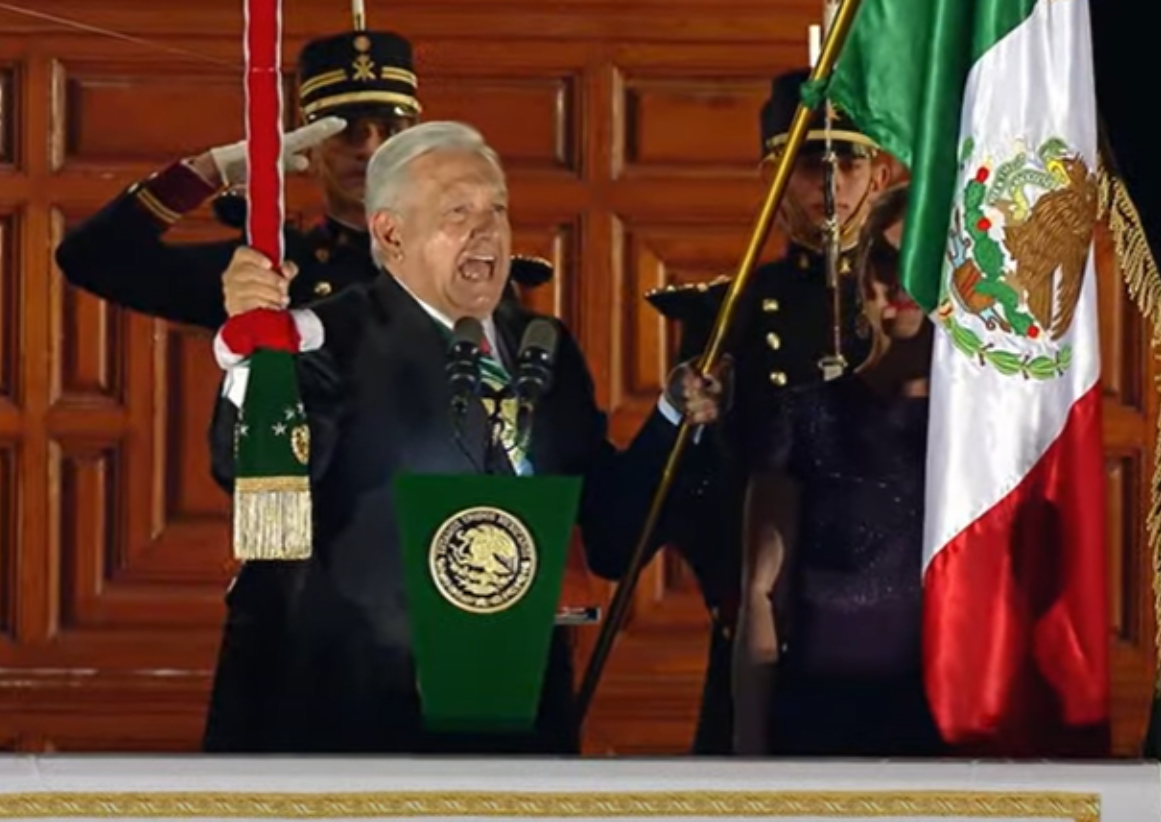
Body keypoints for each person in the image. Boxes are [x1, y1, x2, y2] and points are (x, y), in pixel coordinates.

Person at [203, 120, 729, 754]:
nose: (487, 231)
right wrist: (250, 353)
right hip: (362, 721)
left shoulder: (544, 347)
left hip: (517, 715)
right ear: (390, 232)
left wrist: (671, 420)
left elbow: (612, 537)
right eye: (459, 211)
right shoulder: (325, 339)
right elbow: (248, 474)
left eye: (497, 211)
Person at [641, 67, 893, 755]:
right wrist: (735, 594)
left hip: (890, 617)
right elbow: (694, 486)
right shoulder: (733, 313)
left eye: (851, 160)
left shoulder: (913, 309)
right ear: (775, 175)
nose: (834, 180)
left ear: (880, 173)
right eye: (814, 161)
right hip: (769, 616)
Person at [52, 24, 552, 330]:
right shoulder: (266, 268)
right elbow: (92, 259)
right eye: (348, 132)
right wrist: (213, 170)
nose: (371, 149)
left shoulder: (471, 265)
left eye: (390, 130)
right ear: (310, 151)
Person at [731, 183, 942, 757]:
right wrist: (748, 759)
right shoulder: (804, 413)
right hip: (818, 723)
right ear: (860, 274)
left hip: (940, 728)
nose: (898, 283)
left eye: (920, 262)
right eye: (884, 260)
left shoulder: (978, 437)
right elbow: (760, 594)